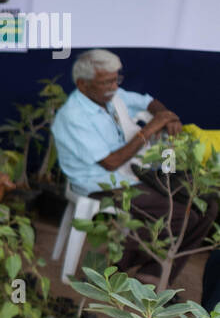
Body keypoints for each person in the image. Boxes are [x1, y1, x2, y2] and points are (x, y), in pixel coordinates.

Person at [53, 48, 216, 278]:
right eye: (106, 82)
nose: (114, 86)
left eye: (116, 79)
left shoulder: (111, 97)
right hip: (99, 183)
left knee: (207, 203)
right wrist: (150, 129)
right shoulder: (74, 116)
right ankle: (113, 271)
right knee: (179, 212)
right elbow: (110, 162)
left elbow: (149, 102)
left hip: (132, 174)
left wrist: (169, 117)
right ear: (82, 84)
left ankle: (153, 273)